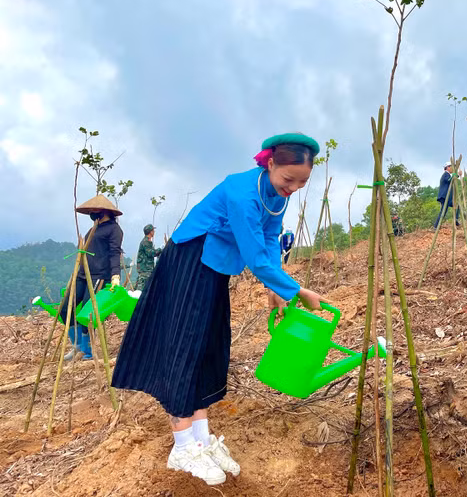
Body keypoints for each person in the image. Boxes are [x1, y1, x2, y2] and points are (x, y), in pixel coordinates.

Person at [111, 133, 325, 486]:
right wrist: (296, 290)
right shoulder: (242, 192)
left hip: (216, 268)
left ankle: (201, 439)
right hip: (190, 261)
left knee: (209, 346)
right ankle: (182, 446)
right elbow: (256, 255)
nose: (293, 188)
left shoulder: (275, 195)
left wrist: (277, 287)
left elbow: (271, 240)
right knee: (184, 344)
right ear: (270, 163)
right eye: (289, 179)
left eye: (302, 183)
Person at [61, 194, 124, 361]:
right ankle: (77, 347)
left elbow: (114, 253)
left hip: (98, 275)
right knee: (66, 308)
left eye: (95, 210)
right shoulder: (94, 228)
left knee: (86, 314)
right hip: (82, 274)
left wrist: (115, 275)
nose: (92, 213)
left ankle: (87, 352)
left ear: (104, 212)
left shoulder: (114, 230)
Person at [135, 224, 162, 290]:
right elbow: (151, 253)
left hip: (146, 270)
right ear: (150, 232)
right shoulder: (146, 242)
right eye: (153, 230)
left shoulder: (147, 241)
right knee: (141, 290)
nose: (154, 232)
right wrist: (160, 249)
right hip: (145, 270)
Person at [434, 162, 460, 228]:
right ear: (448, 167)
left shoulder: (448, 175)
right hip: (445, 196)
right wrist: (454, 175)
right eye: (451, 167)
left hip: (448, 197)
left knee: (457, 205)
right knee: (443, 212)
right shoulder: (445, 174)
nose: (452, 169)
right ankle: (436, 226)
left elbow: (452, 179)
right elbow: (449, 180)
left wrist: (456, 175)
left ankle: (456, 220)